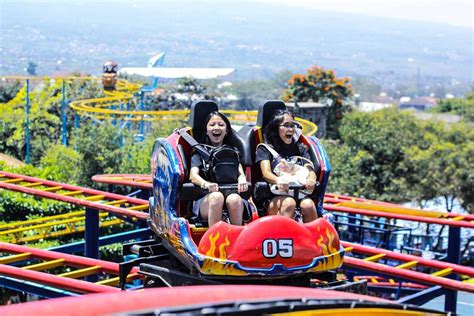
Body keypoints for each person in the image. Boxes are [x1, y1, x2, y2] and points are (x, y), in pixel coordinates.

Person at [256, 110, 318, 223]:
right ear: (276, 128)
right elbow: (266, 173)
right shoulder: (265, 149)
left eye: (292, 125)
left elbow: (310, 169)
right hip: (275, 196)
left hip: (299, 193)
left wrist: (311, 179)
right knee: (289, 203)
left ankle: (311, 239)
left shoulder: (300, 148)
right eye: (286, 126)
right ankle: (282, 237)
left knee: (308, 205)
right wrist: (277, 180)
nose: (290, 129)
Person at [189, 111, 249, 226]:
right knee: (217, 197)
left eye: (221, 125)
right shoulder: (199, 152)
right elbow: (193, 176)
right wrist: (206, 184)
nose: (216, 127)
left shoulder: (233, 152)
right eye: (212, 125)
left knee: (235, 199)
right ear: (206, 131)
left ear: (226, 131)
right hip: (207, 198)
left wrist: (242, 180)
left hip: (231, 194)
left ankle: (237, 237)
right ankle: (215, 239)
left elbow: (240, 172)